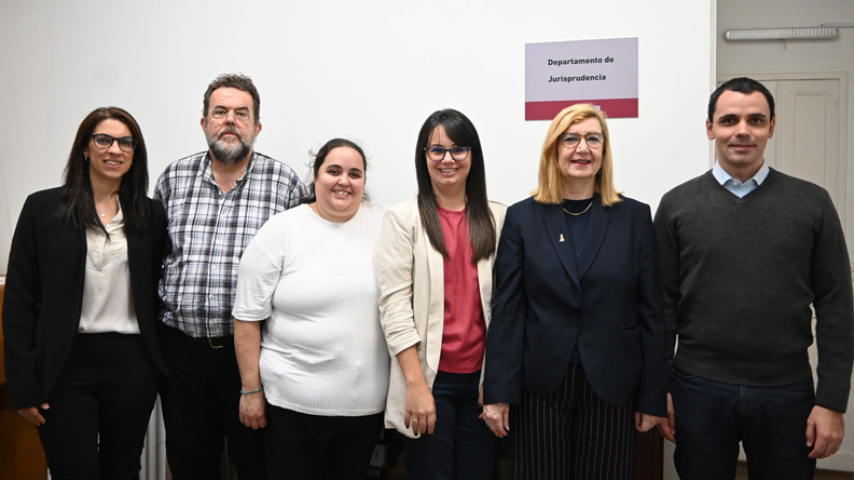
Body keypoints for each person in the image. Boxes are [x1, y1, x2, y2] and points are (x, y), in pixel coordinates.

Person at [654, 77, 854, 479]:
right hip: (697, 389)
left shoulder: (812, 203)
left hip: (787, 392)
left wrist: (832, 401)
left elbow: (837, 306)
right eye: (729, 120)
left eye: (755, 120)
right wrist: (660, 390)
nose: (742, 130)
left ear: (772, 127)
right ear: (710, 128)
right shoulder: (677, 205)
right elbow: (660, 308)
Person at [482, 103, 668, 480]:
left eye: (593, 139)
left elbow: (652, 311)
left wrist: (652, 395)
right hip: (540, 385)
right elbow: (507, 310)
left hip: (611, 385)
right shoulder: (522, 217)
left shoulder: (634, 218)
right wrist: (497, 390)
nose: (582, 148)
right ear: (554, 149)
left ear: (604, 151)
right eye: (571, 139)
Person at [155, 73, 306, 480]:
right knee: (190, 463)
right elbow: (154, 257)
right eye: (220, 112)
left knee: (255, 462)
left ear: (257, 127)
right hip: (181, 353)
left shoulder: (285, 184)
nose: (230, 121)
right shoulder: (173, 178)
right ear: (204, 122)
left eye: (242, 113)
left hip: (251, 355)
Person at [3, 107, 168, 479]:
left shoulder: (150, 215)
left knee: (122, 469)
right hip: (65, 363)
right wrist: (23, 386)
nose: (115, 150)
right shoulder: (43, 209)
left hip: (132, 363)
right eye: (104, 139)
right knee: (72, 470)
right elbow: (19, 303)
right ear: (85, 148)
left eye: (126, 142)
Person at [232, 138, 388, 480]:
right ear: (315, 176)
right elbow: (246, 317)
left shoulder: (383, 226)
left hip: (363, 409)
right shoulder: (282, 230)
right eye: (334, 171)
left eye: (354, 173)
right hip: (291, 407)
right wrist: (251, 390)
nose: (344, 181)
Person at [376, 108, 506, 480]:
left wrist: (499, 383)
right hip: (429, 380)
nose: (448, 159)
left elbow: (508, 309)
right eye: (436, 150)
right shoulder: (403, 220)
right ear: (424, 157)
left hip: (482, 383)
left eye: (458, 149)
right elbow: (394, 308)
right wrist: (416, 387)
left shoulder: (499, 219)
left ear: (473, 156)